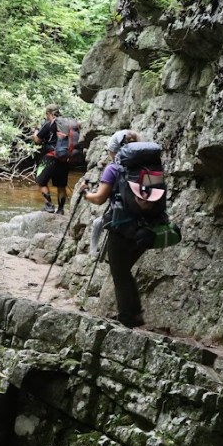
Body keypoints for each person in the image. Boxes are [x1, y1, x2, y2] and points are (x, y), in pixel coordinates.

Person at [83, 129, 147, 328]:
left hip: (121, 226)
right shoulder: (147, 167)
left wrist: (86, 194)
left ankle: (127, 317)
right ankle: (135, 313)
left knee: (119, 272)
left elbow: (100, 198)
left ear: (116, 149)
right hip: (147, 226)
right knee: (124, 270)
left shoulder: (114, 168)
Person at [33, 104, 70, 214]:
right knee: (61, 185)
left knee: (40, 180)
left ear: (49, 113)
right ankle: (61, 209)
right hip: (64, 158)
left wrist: (35, 130)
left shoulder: (49, 124)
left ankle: (49, 206)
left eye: (46, 114)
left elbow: (37, 140)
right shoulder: (66, 124)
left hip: (50, 156)